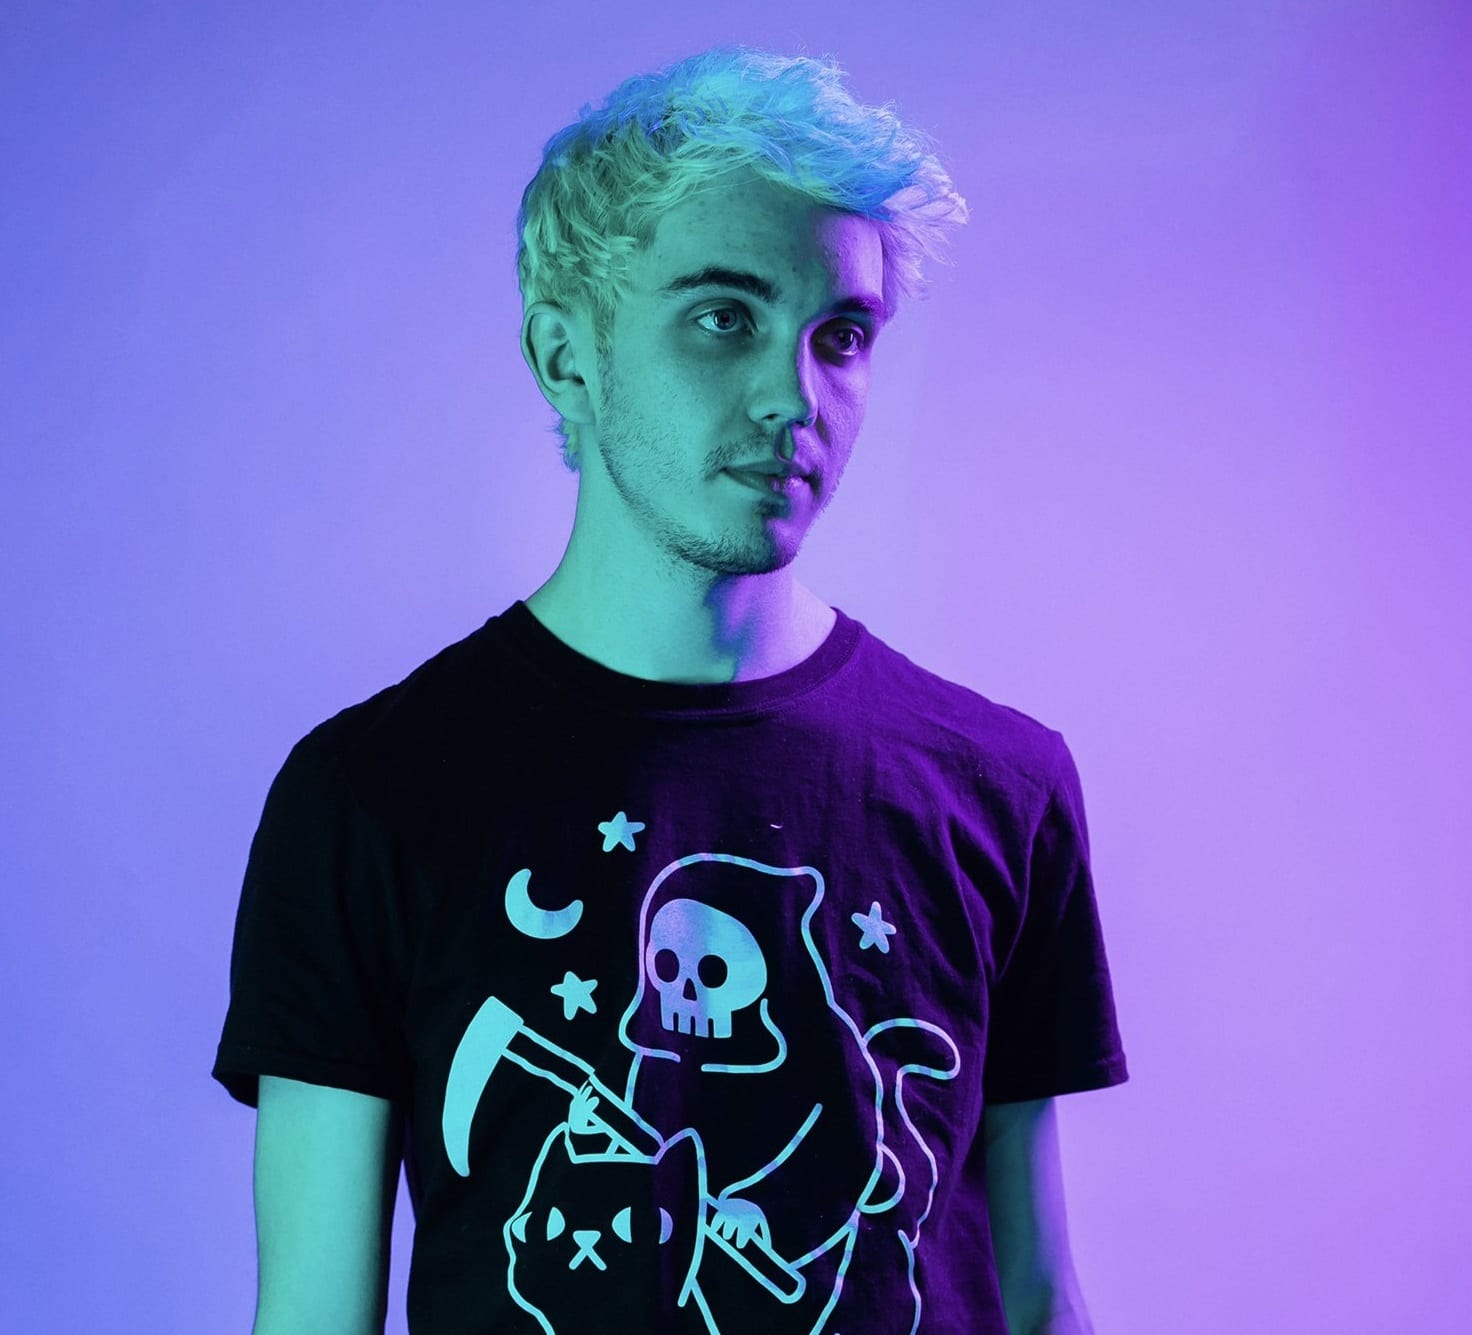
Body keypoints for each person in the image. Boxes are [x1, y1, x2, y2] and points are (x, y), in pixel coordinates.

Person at [214, 43, 1128, 1335]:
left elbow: (1035, 1294)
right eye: (723, 318)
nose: (794, 398)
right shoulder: (365, 795)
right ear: (565, 357)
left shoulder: (1000, 785)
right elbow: (314, 1316)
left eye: (841, 335)